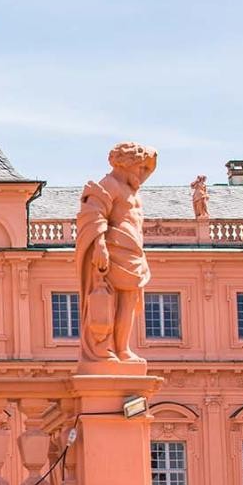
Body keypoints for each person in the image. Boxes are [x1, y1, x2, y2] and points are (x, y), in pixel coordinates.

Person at [76, 142, 158, 367]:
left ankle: (123, 349)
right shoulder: (109, 185)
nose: (143, 173)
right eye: (140, 168)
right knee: (107, 303)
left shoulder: (132, 188)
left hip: (133, 255)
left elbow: (150, 164)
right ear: (127, 164)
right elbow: (93, 215)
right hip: (112, 255)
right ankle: (103, 349)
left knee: (128, 302)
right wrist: (99, 245)